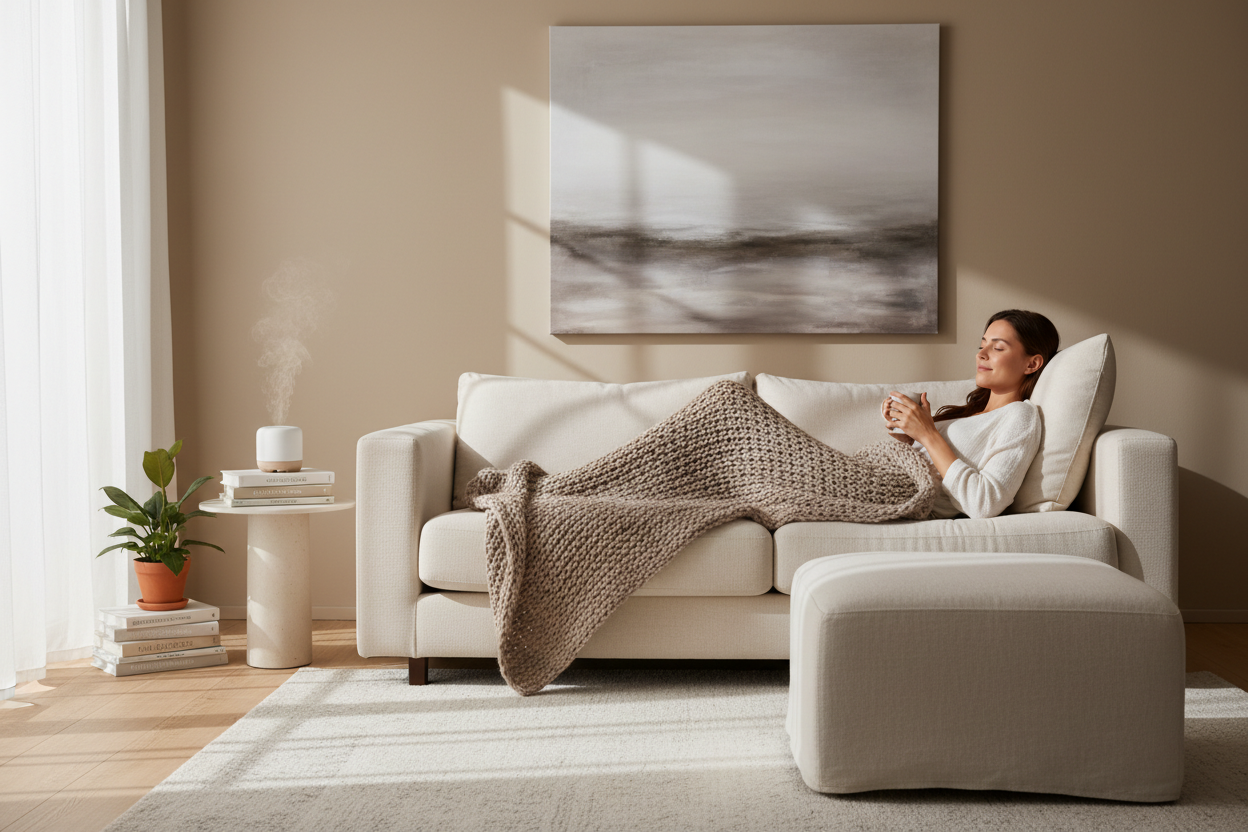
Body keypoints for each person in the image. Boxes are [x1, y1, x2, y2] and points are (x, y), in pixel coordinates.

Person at [882, 309, 1060, 520]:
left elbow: (983, 504)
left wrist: (928, 434)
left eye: (998, 348)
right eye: (982, 346)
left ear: (1031, 364)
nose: (981, 354)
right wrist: (912, 438)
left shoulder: (1020, 415)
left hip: (898, 499)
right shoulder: (972, 412)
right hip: (882, 477)